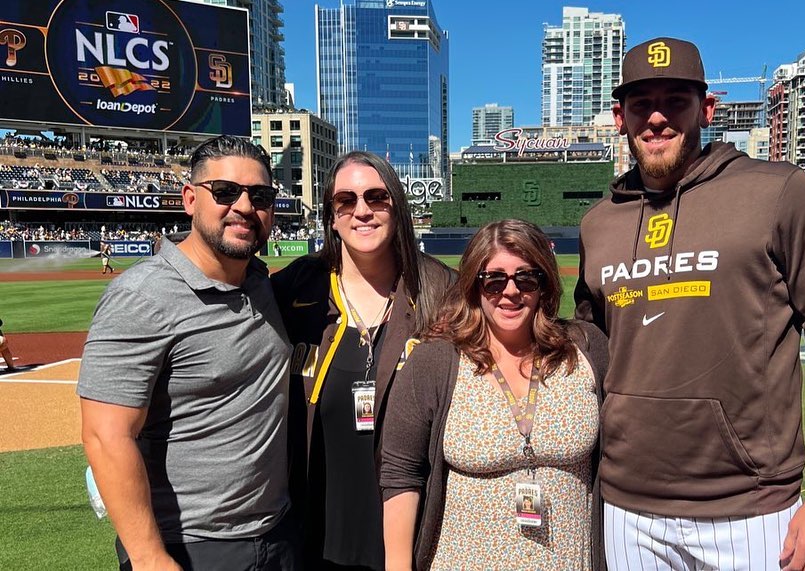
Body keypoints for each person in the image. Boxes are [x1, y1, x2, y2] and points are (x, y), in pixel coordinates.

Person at [574, 37, 805, 571]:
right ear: (620, 116)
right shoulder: (599, 224)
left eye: (677, 100)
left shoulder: (777, 192)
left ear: (707, 109)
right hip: (627, 507)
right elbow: (588, 353)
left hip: (750, 509)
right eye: (642, 103)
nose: (658, 117)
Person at [78, 135, 297, 571]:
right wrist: (149, 558)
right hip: (191, 545)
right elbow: (106, 435)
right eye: (225, 192)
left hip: (276, 533)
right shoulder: (141, 296)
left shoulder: (258, 280)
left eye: (260, 195)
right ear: (190, 199)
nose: (244, 206)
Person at [381, 219, 609, 571]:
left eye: (526, 277)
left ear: (545, 284)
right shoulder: (436, 361)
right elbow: (400, 473)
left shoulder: (586, 347)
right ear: (474, 286)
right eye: (495, 280)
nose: (511, 291)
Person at [271, 150, 455, 571]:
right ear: (331, 217)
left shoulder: (440, 290)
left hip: (412, 538)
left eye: (377, 197)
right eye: (346, 201)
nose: (362, 211)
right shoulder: (296, 289)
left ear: (397, 207)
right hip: (310, 537)